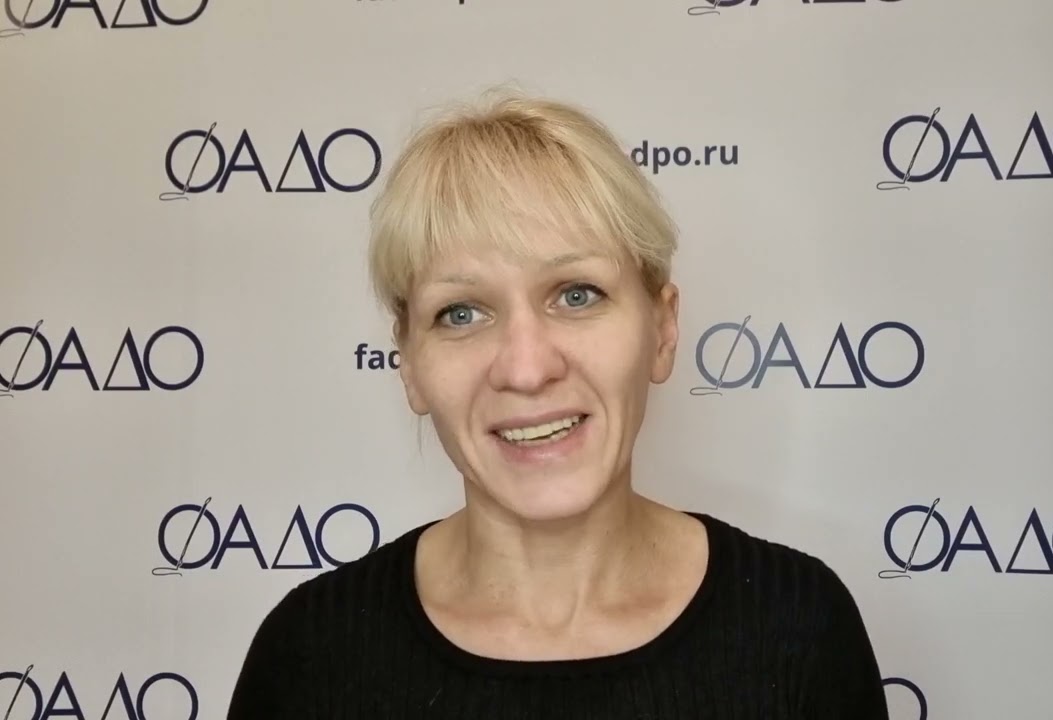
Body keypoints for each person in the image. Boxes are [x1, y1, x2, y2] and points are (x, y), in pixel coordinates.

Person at [227, 86, 890, 719]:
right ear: (410, 365)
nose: (527, 369)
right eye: (461, 313)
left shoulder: (798, 626)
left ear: (662, 330)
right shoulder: (310, 655)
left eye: (577, 295)